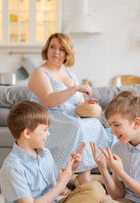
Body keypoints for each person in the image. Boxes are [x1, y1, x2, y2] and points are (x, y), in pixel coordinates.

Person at [0, 101, 106, 203]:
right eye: (45, 130)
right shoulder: (13, 167)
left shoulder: (46, 153)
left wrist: (70, 172)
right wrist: (61, 184)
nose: (48, 134)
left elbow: (54, 188)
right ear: (27, 133)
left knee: (95, 189)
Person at [28, 32, 115, 187]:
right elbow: (50, 100)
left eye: (61, 49)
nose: (56, 52)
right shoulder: (39, 73)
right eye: (52, 47)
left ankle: (84, 173)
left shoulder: (70, 74)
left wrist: (87, 105)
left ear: (67, 53)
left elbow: (78, 106)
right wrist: (75, 88)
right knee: (76, 126)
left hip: (69, 116)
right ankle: (60, 178)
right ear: (46, 49)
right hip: (47, 116)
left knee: (93, 124)